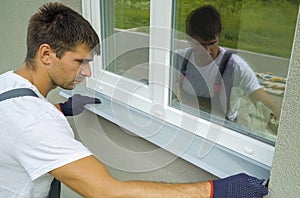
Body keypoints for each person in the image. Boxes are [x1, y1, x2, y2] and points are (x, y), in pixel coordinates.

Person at [0, 2, 268, 198]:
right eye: (80, 61)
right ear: (46, 54)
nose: (87, 72)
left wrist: (61, 108)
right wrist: (213, 190)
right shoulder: (37, 124)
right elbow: (109, 192)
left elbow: (19, 128)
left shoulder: (7, 84)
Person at [173, 5, 281, 122]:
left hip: (223, 130)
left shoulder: (235, 66)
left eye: (212, 43)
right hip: (188, 122)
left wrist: (277, 111)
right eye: (200, 45)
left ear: (219, 36)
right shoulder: (180, 59)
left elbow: (256, 93)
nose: (207, 51)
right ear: (189, 40)